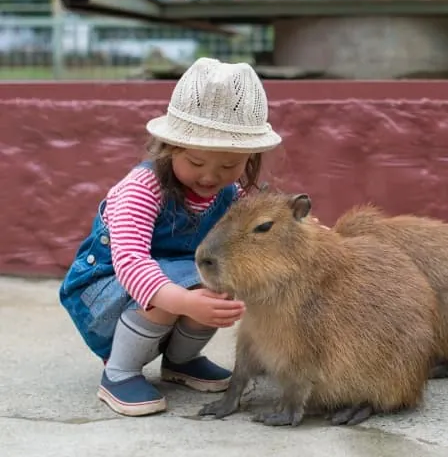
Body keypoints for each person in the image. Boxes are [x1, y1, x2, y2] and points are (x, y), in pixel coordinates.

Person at [59, 57, 283, 417]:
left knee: (217, 282)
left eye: (229, 166)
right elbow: (131, 262)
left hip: (165, 288)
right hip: (105, 291)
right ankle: (119, 373)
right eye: (196, 163)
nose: (210, 177)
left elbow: (255, 232)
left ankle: (181, 361)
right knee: (175, 290)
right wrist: (184, 301)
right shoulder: (141, 189)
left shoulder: (230, 194)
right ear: (169, 147)